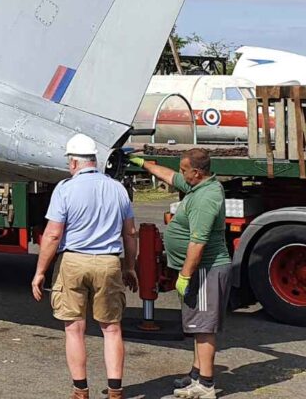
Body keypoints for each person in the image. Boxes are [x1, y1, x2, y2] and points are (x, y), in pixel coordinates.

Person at [32, 133, 138, 399]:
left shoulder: (65, 189)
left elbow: (53, 235)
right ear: (94, 160)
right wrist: (130, 266)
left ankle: (81, 391)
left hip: (73, 261)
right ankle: (115, 392)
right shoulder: (117, 189)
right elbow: (130, 233)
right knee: (112, 328)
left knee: (74, 328)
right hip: (108, 262)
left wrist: (40, 272)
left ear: (74, 163)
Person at [129, 149, 230, 399]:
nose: (182, 174)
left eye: (185, 170)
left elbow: (198, 242)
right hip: (198, 270)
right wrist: (145, 165)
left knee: (204, 326)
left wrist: (184, 276)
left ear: (196, 172)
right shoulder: (198, 184)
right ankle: (197, 373)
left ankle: (205, 385)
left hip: (206, 269)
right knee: (196, 324)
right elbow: (170, 176)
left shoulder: (206, 198)